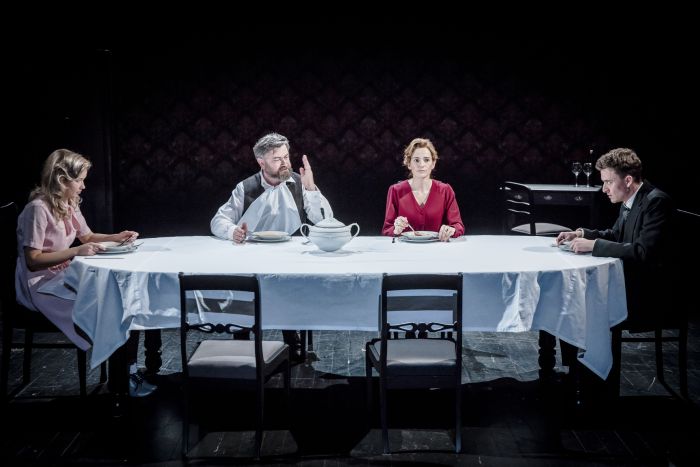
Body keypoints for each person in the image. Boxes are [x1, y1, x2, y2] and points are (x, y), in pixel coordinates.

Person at [15, 149, 156, 397]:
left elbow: (87, 237)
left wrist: (116, 237)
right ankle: (122, 379)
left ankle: (127, 371)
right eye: (79, 180)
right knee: (109, 307)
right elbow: (33, 260)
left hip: (62, 274)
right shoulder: (37, 209)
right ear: (62, 180)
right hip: (39, 283)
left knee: (121, 300)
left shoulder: (69, 202)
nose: (83, 186)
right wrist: (75, 252)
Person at [554, 148, 675, 389]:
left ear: (627, 180)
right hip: (631, 283)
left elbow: (642, 252)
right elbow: (616, 235)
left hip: (649, 295)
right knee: (571, 294)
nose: (604, 189)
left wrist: (594, 246)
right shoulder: (631, 200)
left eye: (608, 182)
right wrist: (581, 234)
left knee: (581, 299)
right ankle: (576, 371)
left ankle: (590, 378)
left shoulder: (656, 202)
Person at [210, 132, 334, 359]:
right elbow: (218, 220)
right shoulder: (246, 188)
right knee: (245, 285)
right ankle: (242, 339)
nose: (285, 163)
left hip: (291, 257)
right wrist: (232, 231)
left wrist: (311, 189)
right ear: (261, 162)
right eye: (277, 159)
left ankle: (292, 340)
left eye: (286, 157)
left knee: (287, 287)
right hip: (253, 257)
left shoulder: (299, 183)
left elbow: (325, 220)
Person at [382, 137, 465, 241]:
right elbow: (387, 229)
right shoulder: (395, 190)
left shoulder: (445, 190)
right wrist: (396, 230)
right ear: (409, 164)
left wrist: (452, 230)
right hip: (405, 249)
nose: (421, 165)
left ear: (433, 163)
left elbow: (458, 226)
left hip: (437, 248)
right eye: (416, 160)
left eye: (426, 160)